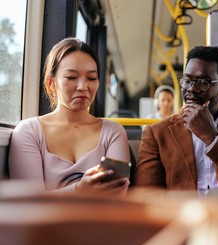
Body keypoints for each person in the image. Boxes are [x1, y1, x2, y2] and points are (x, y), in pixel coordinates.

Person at [135, 46, 218, 191]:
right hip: (181, 213)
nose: (192, 89)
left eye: (203, 82)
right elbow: (146, 194)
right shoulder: (156, 133)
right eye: (187, 80)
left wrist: (213, 139)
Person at [8, 37, 130, 195]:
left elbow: (116, 197)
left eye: (91, 78)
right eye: (71, 77)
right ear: (52, 83)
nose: (83, 86)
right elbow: (30, 204)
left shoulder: (113, 132)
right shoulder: (29, 131)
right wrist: (80, 190)